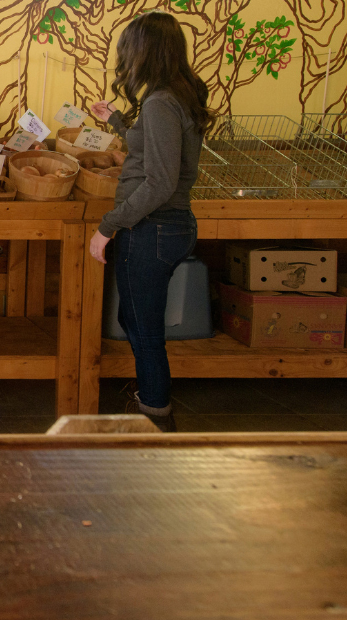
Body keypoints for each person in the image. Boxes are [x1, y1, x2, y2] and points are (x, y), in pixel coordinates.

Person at [87, 12, 215, 432]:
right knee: (137, 322)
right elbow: (156, 151)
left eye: (128, 49)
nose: (125, 57)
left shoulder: (161, 102)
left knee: (144, 332)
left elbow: (159, 182)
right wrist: (117, 121)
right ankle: (150, 404)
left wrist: (108, 226)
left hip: (152, 227)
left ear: (145, 51)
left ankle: (157, 425)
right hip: (169, 225)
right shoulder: (174, 96)